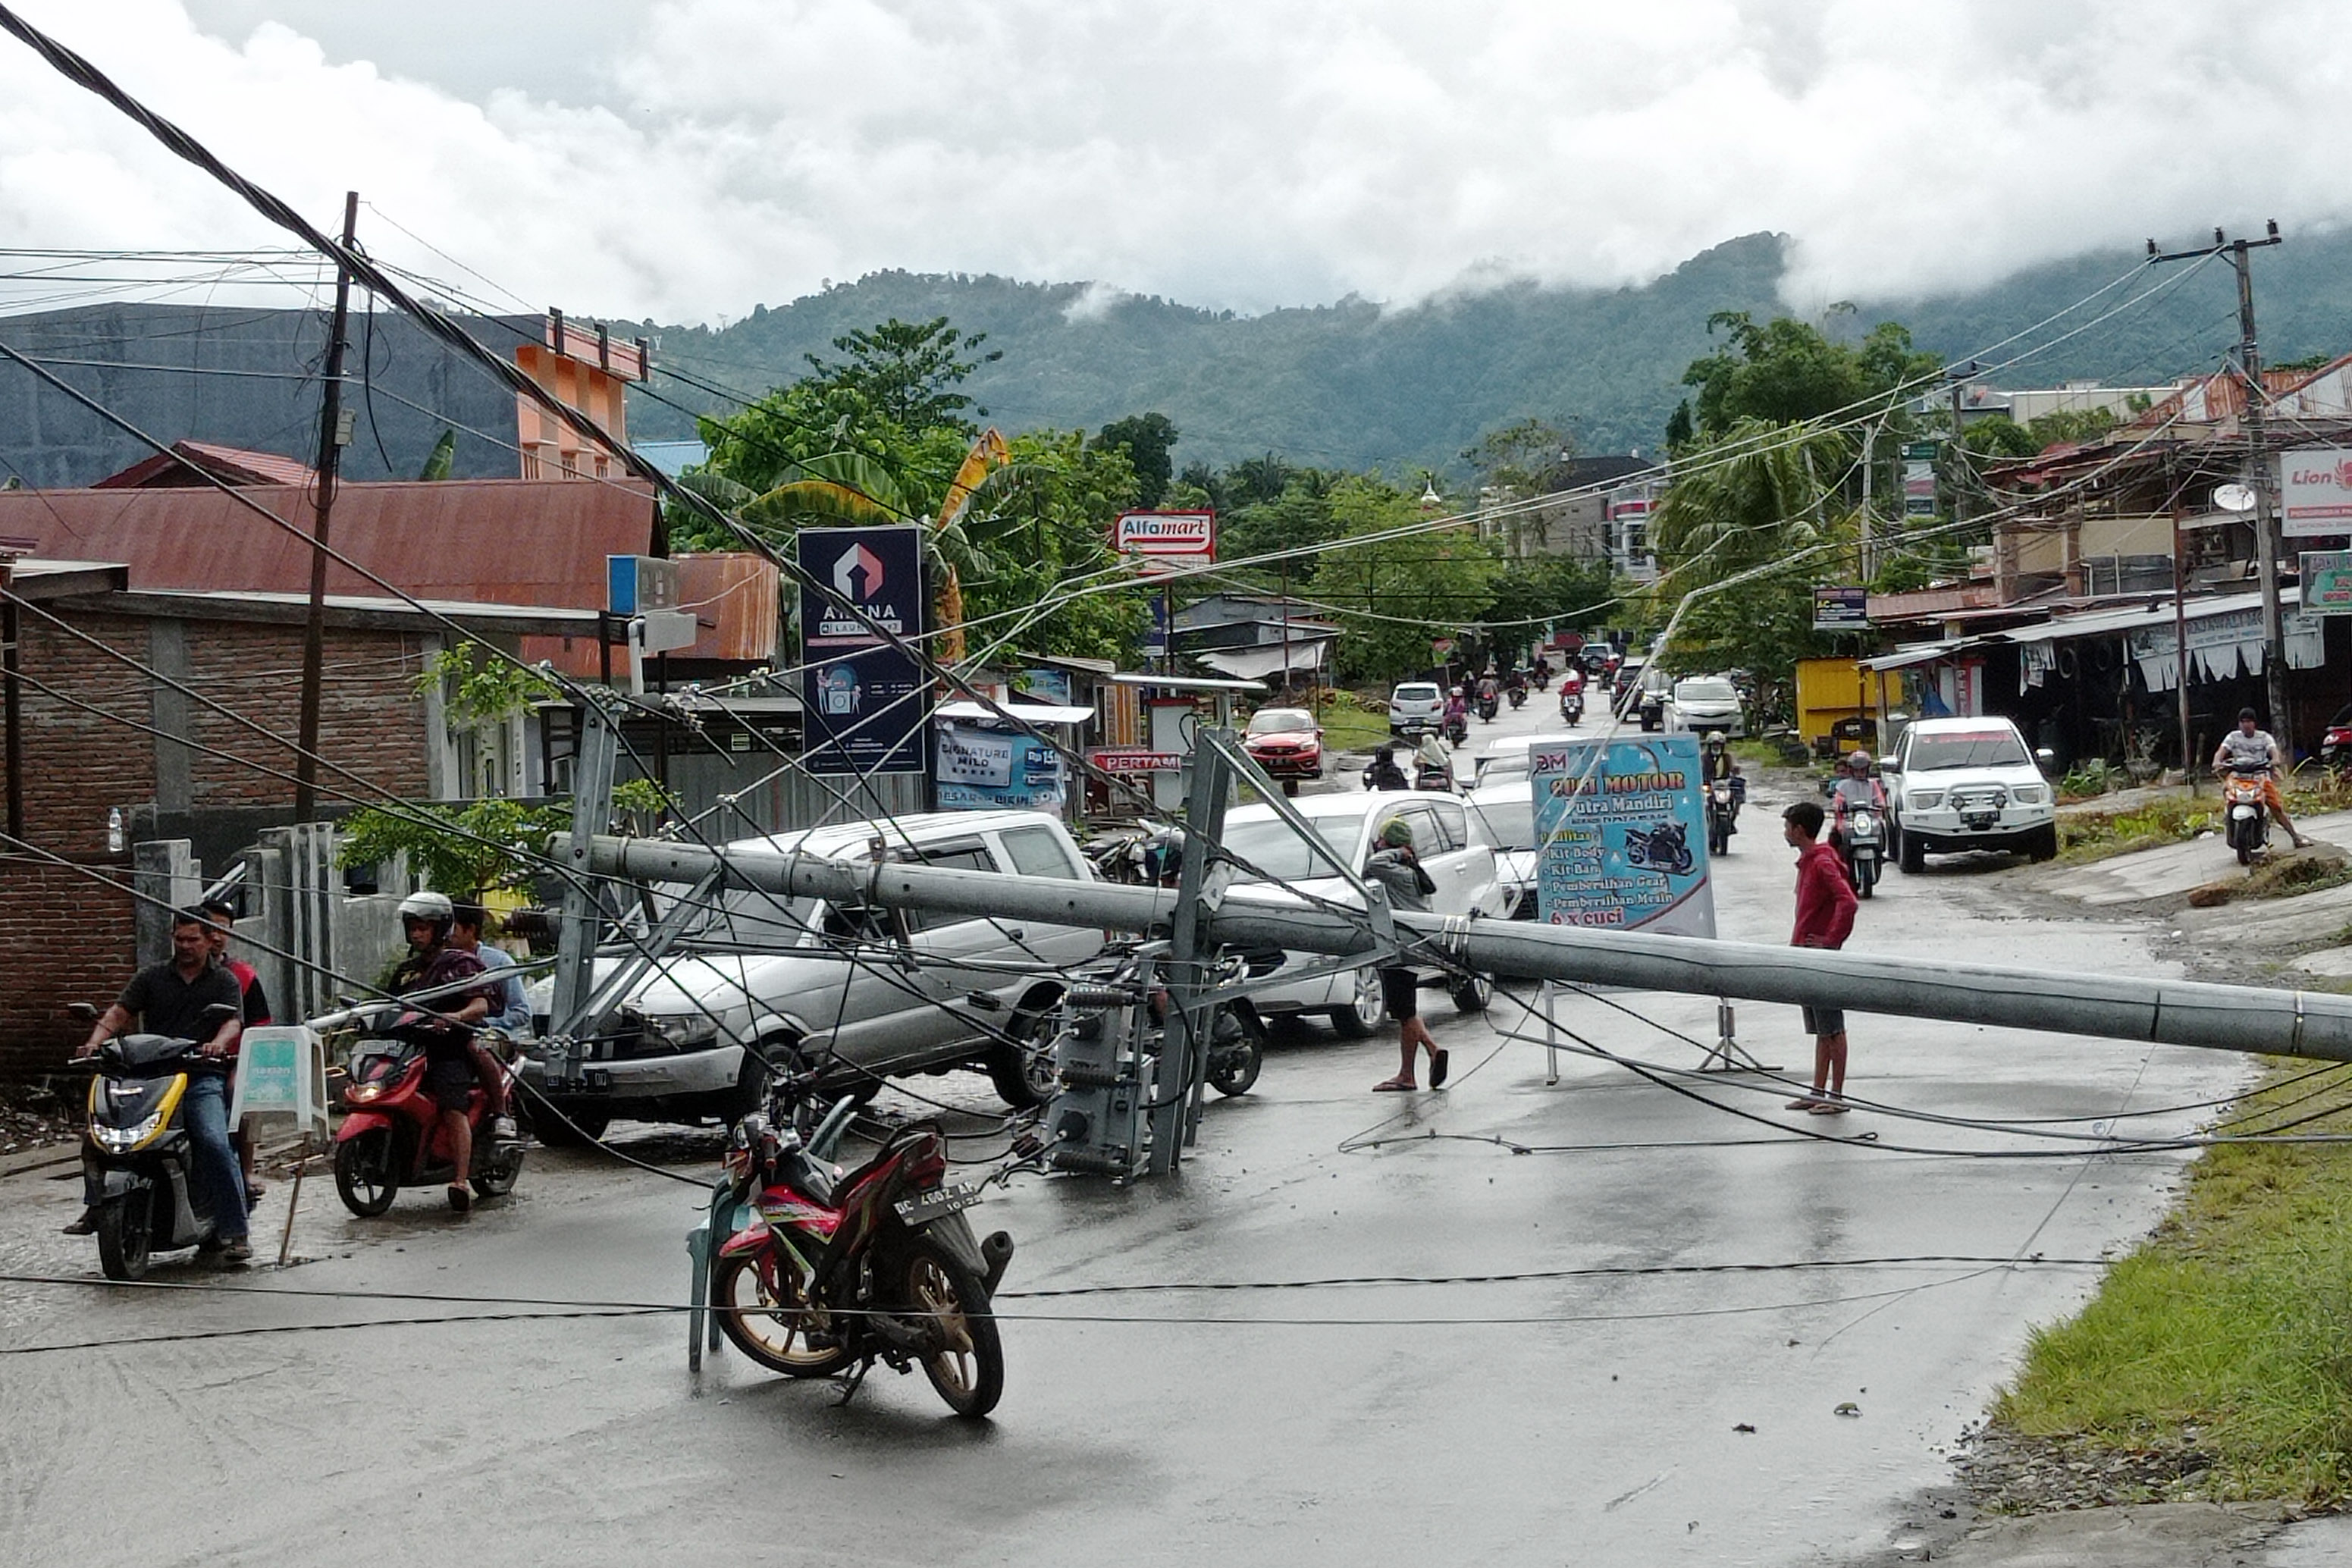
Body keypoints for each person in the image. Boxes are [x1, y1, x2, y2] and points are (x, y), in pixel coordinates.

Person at [67, 910, 250, 1259]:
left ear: (210, 939)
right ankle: (96, 1207)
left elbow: (232, 1023)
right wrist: (94, 1042)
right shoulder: (151, 977)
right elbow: (119, 1013)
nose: (185, 946)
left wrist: (217, 1044)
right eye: (179, 939)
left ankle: (236, 1230)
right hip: (147, 1075)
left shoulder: (224, 981)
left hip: (198, 1076)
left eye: (192, 939)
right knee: (97, 1135)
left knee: (212, 1140)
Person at [390, 892, 505, 1212]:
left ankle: (460, 1179)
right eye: (413, 927)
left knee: (453, 1108)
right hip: (408, 1050)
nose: (417, 934)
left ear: (439, 929)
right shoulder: (405, 971)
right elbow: (388, 1006)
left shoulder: (462, 965)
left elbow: (481, 1005)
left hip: (449, 1049)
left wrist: (454, 1018)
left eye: (423, 928)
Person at [1782, 801, 1859, 1115]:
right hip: (1806, 954)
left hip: (1820, 957)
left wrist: (1830, 941)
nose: (1785, 832)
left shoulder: (1822, 862)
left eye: (1787, 826)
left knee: (1833, 1028)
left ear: (1800, 830)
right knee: (1820, 1029)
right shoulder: (1811, 861)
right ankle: (1818, 1092)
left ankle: (1836, 1096)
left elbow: (1848, 902)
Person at [199, 896, 271, 1212]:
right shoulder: (169, 975)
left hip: (233, 1060)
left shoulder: (241, 975)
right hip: (186, 1059)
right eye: (210, 927)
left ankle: (245, 1168)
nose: (216, 935)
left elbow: (260, 1025)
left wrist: (238, 1055)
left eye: (222, 929)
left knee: (238, 1094)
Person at [1363, 818, 1447, 1093]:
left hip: (1404, 947)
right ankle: (1433, 1051)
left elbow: (1373, 865)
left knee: (1406, 1013)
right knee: (1404, 1012)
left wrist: (1399, 852)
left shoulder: (1402, 872)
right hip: (1408, 946)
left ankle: (1407, 1076)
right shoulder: (1410, 872)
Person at [2214, 707, 2311, 849]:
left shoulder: (2264, 737)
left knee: (2276, 807)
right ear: (2239, 724)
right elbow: (2221, 752)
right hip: (2238, 776)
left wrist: (2275, 761)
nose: (2246, 725)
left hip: (2260, 776)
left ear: (2254, 723)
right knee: (2225, 790)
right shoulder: (2233, 737)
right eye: (2243, 721)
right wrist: (2217, 762)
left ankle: (2295, 838)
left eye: (2249, 721)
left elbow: (2274, 752)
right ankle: (2228, 819)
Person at [450, 901, 533, 1038]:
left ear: (470, 929)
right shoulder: (441, 962)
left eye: (453, 929)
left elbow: (521, 1013)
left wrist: (480, 1023)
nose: (447, 934)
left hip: (490, 1037)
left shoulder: (499, 962)